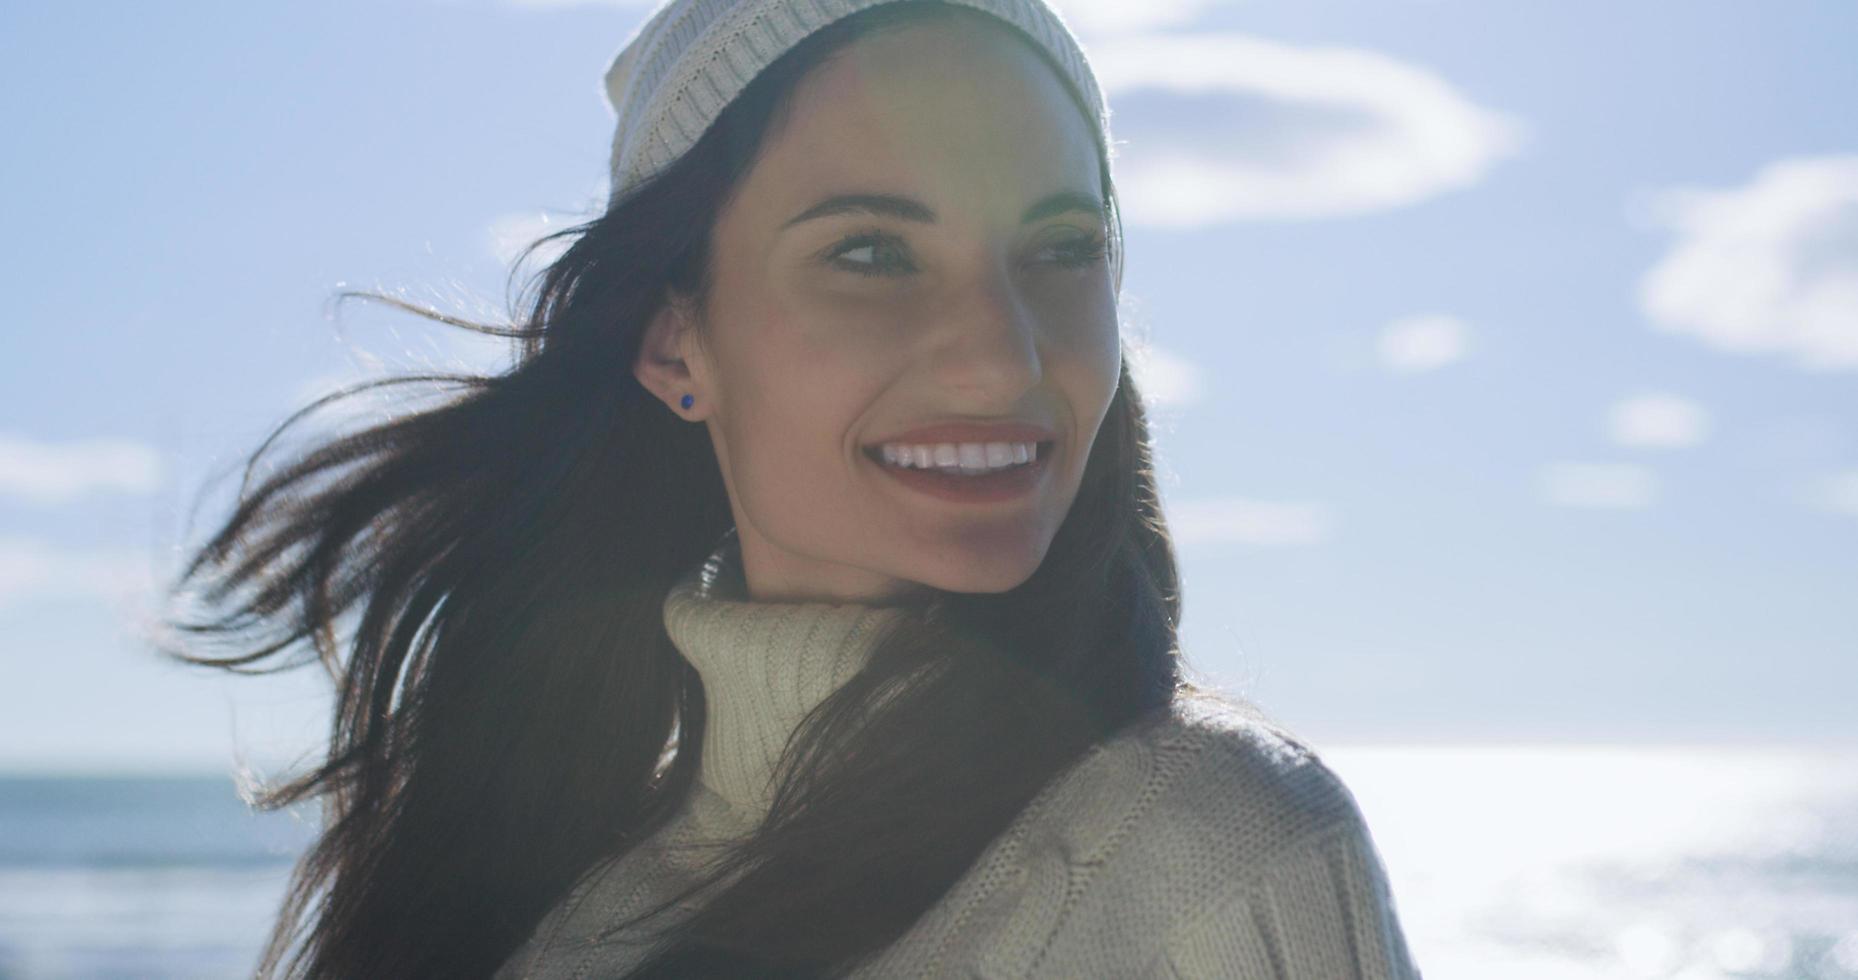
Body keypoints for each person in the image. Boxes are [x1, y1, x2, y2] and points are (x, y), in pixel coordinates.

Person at [161, 0, 1424, 976]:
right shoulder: (555, 911)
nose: (1002, 352)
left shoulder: (1217, 844)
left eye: (1061, 248)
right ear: (673, 343)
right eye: (871, 254)